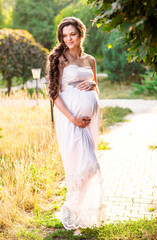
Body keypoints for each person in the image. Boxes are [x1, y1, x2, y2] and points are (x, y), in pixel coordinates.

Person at [47, 17, 106, 235]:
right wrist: (73, 119)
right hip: (70, 121)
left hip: (88, 123)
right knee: (85, 167)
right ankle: (71, 212)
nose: (68, 38)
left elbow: (96, 91)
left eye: (72, 34)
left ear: (81, 34)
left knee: (87, 167)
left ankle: (77, 215)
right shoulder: (58, 59)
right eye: (64, 35)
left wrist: (93, 84)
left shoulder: (90, 60)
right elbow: (54, 95)